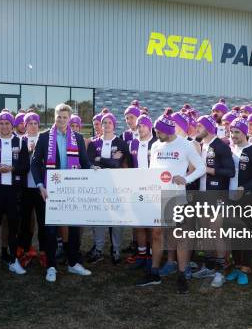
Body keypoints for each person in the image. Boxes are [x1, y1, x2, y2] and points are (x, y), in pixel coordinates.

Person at [135, 108, 206, 294]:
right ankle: (154, 273)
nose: (155, 134)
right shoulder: (156, 145)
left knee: (180, 236)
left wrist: (187, 179)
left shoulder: (185, 145)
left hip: (177, 196)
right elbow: (153, 169)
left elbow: (201, 168)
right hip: (157, 196)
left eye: (158, 131)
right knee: (157, 233)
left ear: (168, 130)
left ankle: (182, 275)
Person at [31, 103, 95, 282]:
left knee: (73, 229)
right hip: (50, 191)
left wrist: (92, 167)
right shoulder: (44, 138)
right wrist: (39, 185)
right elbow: (35, 163)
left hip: (71, 191)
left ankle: (73, 263)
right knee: (50, 231)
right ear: (55, 118)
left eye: (65, 117)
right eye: (58, 116)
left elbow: (84, 161)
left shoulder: (78, 138)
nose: (61, 120)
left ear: (69, 119)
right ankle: (51, 266)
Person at [0, 109, 30, 277]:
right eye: (1, 123)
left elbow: (25, 167)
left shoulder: (21, 142)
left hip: (14, 191)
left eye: (7, 123)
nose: (4, 126)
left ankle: (13, 261)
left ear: (12, 125)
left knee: (12, 227)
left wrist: (13, 169)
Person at [192, 114, 235, 289]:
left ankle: (220, 271)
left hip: (217, 195)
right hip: (203, 194)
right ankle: (209, 266)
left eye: (199, 126)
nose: (196, 129)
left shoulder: (220, 146)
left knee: (216, 232)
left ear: (208, 128)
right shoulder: (202, 145)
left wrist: (208, 169)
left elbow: (230, 171)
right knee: (205, 231)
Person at [224, 116, 252, 286]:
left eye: (237, 132)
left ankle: (246, 267)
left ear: (245, 132)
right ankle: (237, 264)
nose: (233, 135)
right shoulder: (229, 150)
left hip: (246, 198)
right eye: (231, 132)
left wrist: (244, 188)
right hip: (230, 198)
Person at [86, 110, 130, 264]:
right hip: (98, 186)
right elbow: (91, 162)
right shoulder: (94, 143)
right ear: (101, 125)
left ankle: (116, 249)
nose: (106, 125)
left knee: (117, 219)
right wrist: (109, 161)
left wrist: (101, 159)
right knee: (99, 218)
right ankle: (98, 248)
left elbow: (118, 164)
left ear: (114, 125)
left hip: (117, 186)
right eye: (104, 122)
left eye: (109, 122)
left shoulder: (121, 143)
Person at [125, 112, 158, 269]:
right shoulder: (133, 143)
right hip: (137, 188)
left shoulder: (157, 143)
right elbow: (130, 165)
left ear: (150, 126)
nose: (140, 128)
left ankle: (152, 254)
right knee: (139, 224)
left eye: (143, 125)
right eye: (138, 125)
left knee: (151, 224)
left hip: (153, 189)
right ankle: (141, 254)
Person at [18, 111, 48, 268]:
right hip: (25, 188)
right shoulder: (20, 140)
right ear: (25, 125)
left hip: (41, 188)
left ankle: (44, 252)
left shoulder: (44, 140)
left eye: (36, 123)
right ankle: (25, 250)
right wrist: (28, 153)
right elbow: (17, 163)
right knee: (25, 222)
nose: (33, 126)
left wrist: (37, 153)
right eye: (30, 123)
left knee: (43, 221)